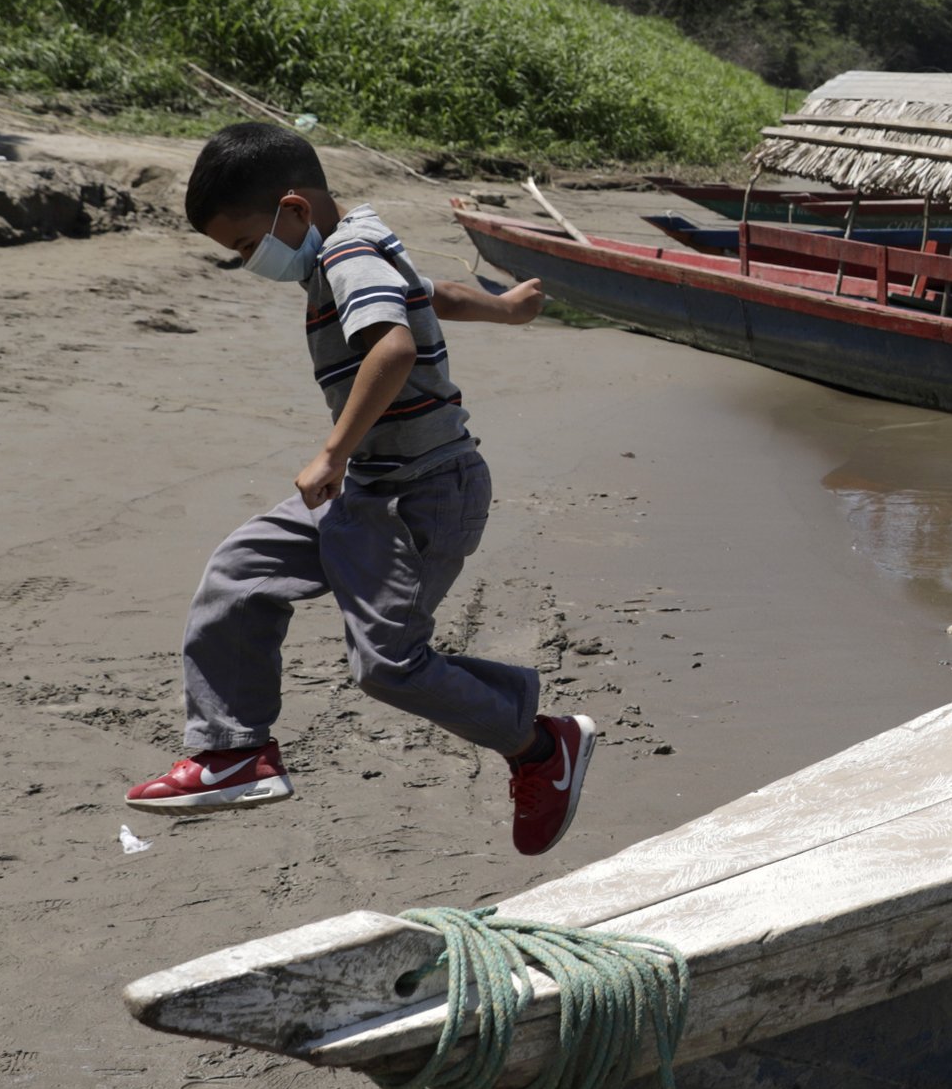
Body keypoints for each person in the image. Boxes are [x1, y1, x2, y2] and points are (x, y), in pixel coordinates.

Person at [125, 123, 599, 857]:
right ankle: (231, 751)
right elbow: (424, 295)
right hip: (375, 490)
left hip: (422, 496)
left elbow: (394, 343)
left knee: (388, 665)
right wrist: (503, 308)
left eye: (248, 246)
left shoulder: (343, 253)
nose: (251, 264)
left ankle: (538, 743)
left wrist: (331, 452)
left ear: (293, 211)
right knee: (240, 571)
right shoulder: (358, 239)